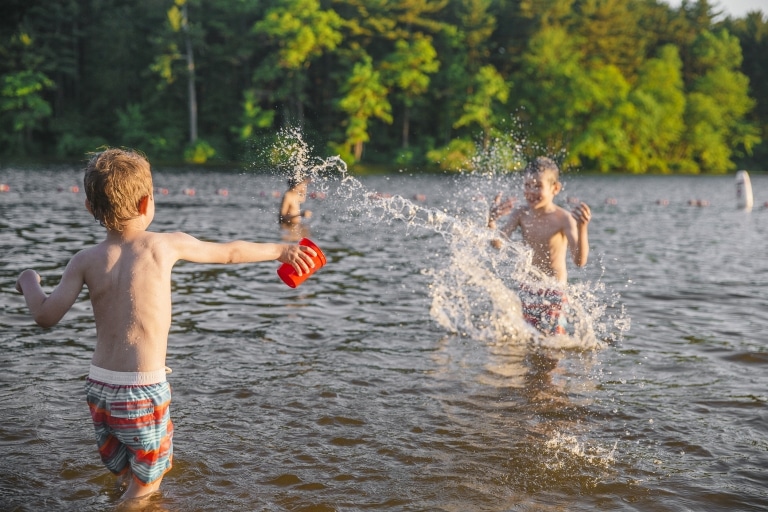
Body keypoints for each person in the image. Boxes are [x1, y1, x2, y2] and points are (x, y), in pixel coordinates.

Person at [15, 148, 317, 505]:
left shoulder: (84, 261)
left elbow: (45, 316)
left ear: (89, 208)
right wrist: (281, 252)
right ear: (146, 204)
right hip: (141, 390)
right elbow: (230, 253)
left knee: (126, 473)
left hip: (99, 390)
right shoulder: (164, 245)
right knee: (147, 485)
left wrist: (29, 281)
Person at [487, 156, 591, 335]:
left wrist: (582, 228)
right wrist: (491, 221)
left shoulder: (563, 218)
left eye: (538, 186)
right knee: (527, 344)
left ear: (555, 188)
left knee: (552, 347)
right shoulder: (521, 214)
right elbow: (498, 244)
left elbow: (579, 261)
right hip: (527, 290)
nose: (531, 191)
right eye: (527, 185)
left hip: (554, 294)